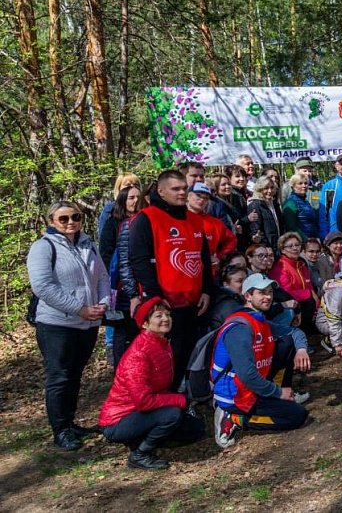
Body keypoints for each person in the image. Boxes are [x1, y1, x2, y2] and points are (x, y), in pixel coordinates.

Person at [28, 201, 111, 451]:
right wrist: (79, 308)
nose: (71, 222)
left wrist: (103, 303)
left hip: (87, 324)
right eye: (63, 219)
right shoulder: (43, 247)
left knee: (74, 374)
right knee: (60, 376)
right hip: (56, 324)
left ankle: (70, 423)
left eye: (75, 217)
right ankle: (60, 430)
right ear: (51, 221)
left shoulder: (88, 245)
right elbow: (42, 286)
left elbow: (103, 278)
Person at [129, 171, 214, 388]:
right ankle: (166, 401)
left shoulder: (195, 220)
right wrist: (155, 296)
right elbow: (138, 260)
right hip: (166, 302)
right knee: (167, 357)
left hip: (194, 301)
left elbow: (203, 257)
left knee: (189, 351)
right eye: (176, 189)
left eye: (184, 188)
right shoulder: (146, 218)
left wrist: (206, 289)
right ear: (161, 191)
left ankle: (185, 396)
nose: (182, 192)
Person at [98, 297, 205, 469]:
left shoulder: (162, 343)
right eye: (158, 316)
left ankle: (143, 437)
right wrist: (179, 400)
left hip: (144, 412)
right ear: (145, 324)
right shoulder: (138, 354)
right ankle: (140, 454)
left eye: (167, 314)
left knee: (195, 429)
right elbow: (143, 401)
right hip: (119, 420)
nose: (165, 319)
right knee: (172, 415)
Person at [211, 274, 310, 449]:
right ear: (248, 296)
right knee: (296, 416)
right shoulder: (240, 328)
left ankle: (282, 395)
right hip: (235, 395)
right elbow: (247, 375)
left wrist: (301, 349)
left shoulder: (259, 320)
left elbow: (294, 333)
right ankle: (234, 418)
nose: (268, 297)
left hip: (251, 387)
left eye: (270, 292)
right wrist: (278, 392)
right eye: (262, 293)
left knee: (287, 342)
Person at [99, 184, 147, 366]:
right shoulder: (113, 222)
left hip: (140, 281)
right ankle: (120, 369)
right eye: (131, 198)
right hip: (119, 283)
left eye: (137, 197)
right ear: (123, 201)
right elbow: (106, 253)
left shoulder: (144, 220)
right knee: (122, 327)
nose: (135, 201)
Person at [269, 232, 319, 333]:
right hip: (288, 304)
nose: (295, 248)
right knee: (309, 302)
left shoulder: (301, 264)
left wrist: (316, 301)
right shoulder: (281, 267)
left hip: (304, 302)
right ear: (283, 249)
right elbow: (286, 293)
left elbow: (309, 285)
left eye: (297, 245)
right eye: (290, 246)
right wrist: (308, 294)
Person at [188, 183, 238, 276]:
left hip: (209, 274)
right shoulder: (176, 220)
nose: (202, 200)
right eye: (198, 196)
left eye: (206, 198)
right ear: (189, 196)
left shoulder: (214, 223)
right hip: (182, 273)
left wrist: (220, 257)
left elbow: (232, 240)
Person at [319, 153, 342, 238]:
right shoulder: (329, 186)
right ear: (336, 166)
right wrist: (324, 234)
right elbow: (323, 213)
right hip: (335, 233)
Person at [246, 175, 282, 251]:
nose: (270, 191)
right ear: (260, 189)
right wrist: (265, 246)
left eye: (272, 188)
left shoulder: (274, 204)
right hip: (266, 248)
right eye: (266, 188)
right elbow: (255, 230)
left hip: (278, 245)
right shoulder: (255, 205)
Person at [208, 264, 249, 330]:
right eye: (239, 281)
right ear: (226, 284)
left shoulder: (239, 300)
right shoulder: (228, 305)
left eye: (247, 280)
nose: (245, 284)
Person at [282, 173, 320, 241]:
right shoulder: (290, 203)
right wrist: (306, 239)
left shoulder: (306, 202)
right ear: (293, 186)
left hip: (312, 240)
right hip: (300, 242)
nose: (304, 186)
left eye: (305, 183)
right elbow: (291, 227)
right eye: (300, 183)